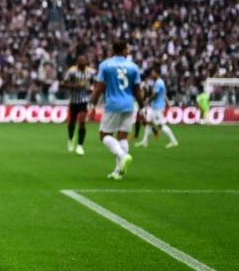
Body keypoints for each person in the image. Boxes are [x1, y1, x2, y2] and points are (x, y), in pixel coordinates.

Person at [88, 39, 142, 180]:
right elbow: (137, 89)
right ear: (123, 50)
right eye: (128, 48)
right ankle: (118, 172)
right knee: (122, 136)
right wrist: (142, 107)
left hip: (113, 104)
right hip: (129, 104)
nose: (129, 50)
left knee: (104, 135)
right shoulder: (133, 66)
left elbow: (99, 87)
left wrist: (93, 105)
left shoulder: (105, 65)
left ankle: (123, 156)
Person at [59, 54, 94, 155]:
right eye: (80, 61)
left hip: (84, 100)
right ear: (77, 62)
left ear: (86, 62)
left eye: (84, 61)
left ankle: (80, 146)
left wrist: (91, 88)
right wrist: (74, 86)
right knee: (72, 122)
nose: (82, 63)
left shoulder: (90, 71)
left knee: (82, 121)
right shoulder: (72, 71)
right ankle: (70, 138)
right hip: (73, 100)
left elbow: (94, 82)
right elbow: (63, 84)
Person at [137, 70, 179, 148]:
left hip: (158, 108)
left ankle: (173, 141)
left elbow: (155, 95)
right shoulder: (160, 82)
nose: (152, 75)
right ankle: (145, 142)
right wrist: (169, 105)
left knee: (161, 125)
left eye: (153, 74)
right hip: (155, 107)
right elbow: (164, 95)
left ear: (158, 74)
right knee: (149, 123)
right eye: (151, 74)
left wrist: (147, 102)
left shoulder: (158, 83)